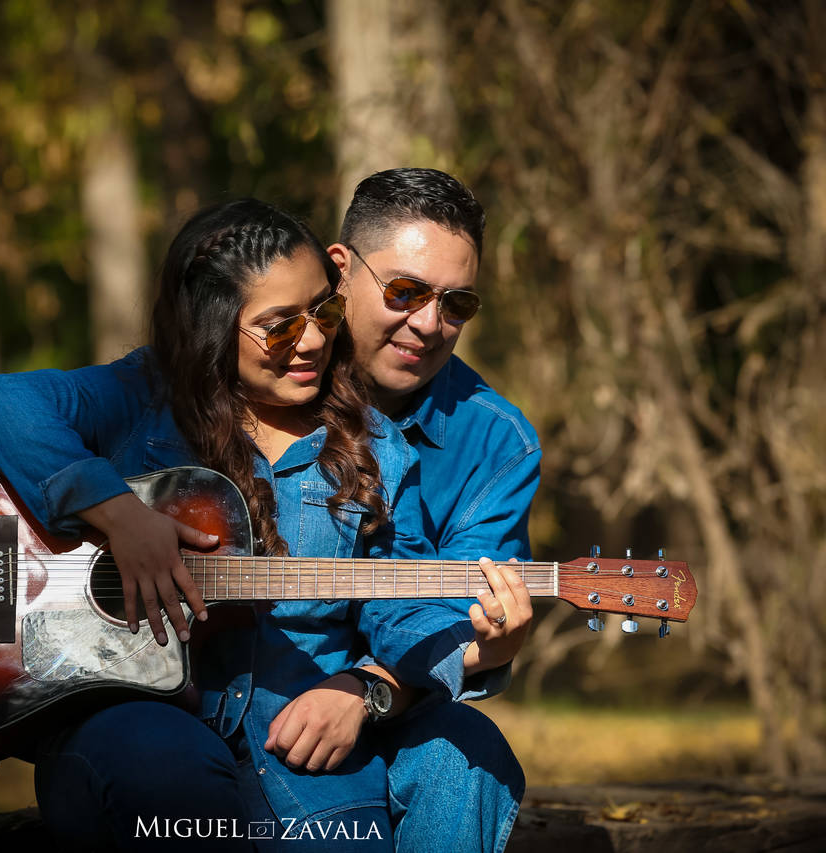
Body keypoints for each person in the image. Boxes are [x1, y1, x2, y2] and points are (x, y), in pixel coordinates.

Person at [0, 197, 522, 851]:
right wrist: (121, 517)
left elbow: (398, 605)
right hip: (141, 734)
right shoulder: (145, 400)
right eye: (281, 326)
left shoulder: (375, 451)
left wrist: (470, 646)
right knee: (167, 777)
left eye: (324, 312)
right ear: (212, 325)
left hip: (298, 758)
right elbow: (0, 403)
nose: (312, 341)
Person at [326, 167, 542, 852]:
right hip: (241, 680)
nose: (428, 324)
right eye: (405, 291)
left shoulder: (497, 443)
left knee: (466, 753)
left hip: (393, 704)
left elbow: (447, 615)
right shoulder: (268, 371)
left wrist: (369, 689)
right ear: (341, 270)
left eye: (457, 304)